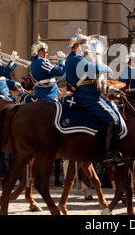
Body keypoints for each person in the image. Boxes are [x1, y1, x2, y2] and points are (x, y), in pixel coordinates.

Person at [65, 28, 127, 167]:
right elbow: (94, 68)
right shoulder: (76, 59)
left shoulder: (74, 59)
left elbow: (88, 81)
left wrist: (107, 88)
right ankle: (111, 155)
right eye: (86, 45)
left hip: (86, 93)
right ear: (78, 46)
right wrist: (107, 68)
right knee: (113, 119)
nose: (88, 48)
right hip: (87, 98)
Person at [27, 35, 65, 101]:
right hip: (48, 94)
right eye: (46, 52)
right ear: (41, 52)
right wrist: (61, 60)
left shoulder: (34, 62)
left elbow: (48, 72)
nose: (47, 54)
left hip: (41, 93)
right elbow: (59, 72)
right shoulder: (42, 61)